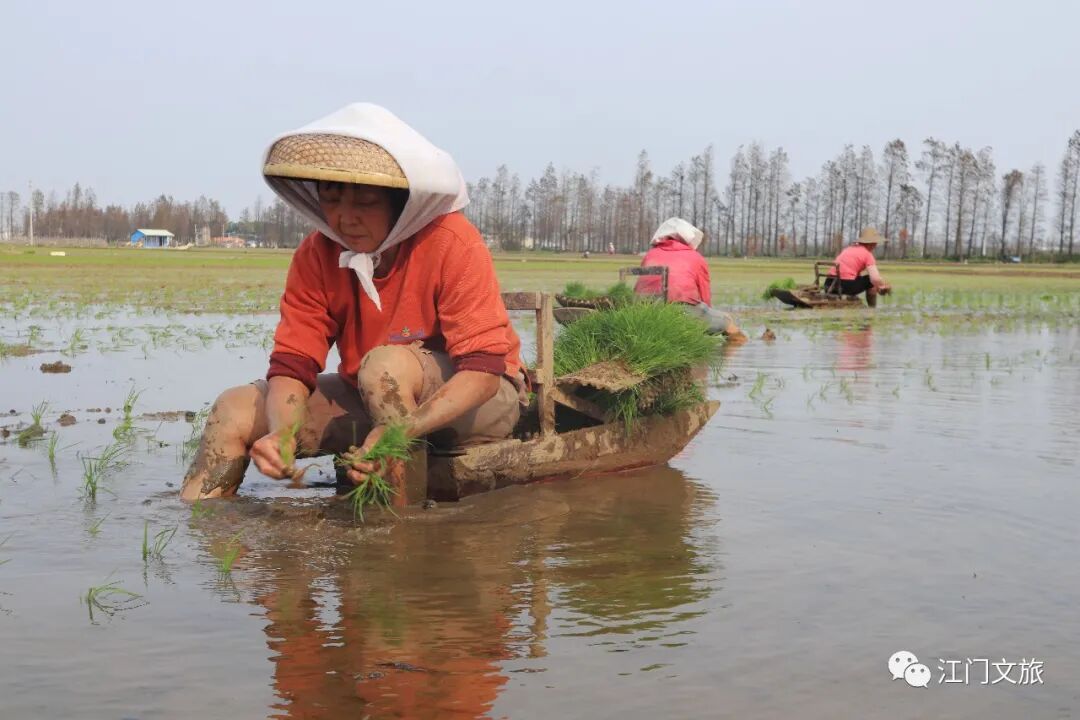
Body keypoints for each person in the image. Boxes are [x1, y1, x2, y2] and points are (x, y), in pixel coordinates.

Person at [180, 103, 525, 501]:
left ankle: (397, 534)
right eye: (332, 199)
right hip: (371, 395)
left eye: (364, 201)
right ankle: (200, 536)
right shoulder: (316, 255)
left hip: (477, 402)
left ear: (400, 201)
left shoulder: (452, 241)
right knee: (233, 409)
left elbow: (482, 370)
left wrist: (401, 429)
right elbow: (294, 361)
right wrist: (284, 432)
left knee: (383, 366)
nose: (345, 218)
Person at [633, 217, 747, 341]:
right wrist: (706, 318)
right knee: (728, 323)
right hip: (681, 312)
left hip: (647, 312)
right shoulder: (695, 257)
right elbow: (705, 296)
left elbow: (640, 286)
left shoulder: (650, 254)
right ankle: (730, 356)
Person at [823, 227, 892, 307]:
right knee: (870, 281)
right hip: (844, 286)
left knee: (865, 279)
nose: (876, 245)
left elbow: (854, 274)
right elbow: (875, 278)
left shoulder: (848, 249)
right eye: (875, 243)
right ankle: (872, 308)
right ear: (872, 244)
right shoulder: (867, 255)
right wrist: (882, 286)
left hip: (829, 283)